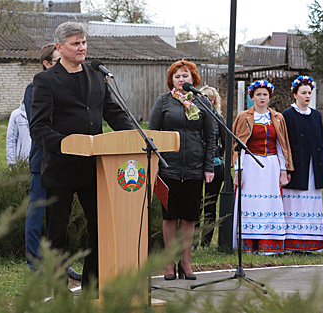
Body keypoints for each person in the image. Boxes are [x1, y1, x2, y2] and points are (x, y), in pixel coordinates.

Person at [29, 22, 134, 290]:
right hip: (60, 167)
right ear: (59, 47)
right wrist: (67, 144)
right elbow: (38, 127)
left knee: (100, 228)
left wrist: (136, 136)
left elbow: (113, 113)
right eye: (76, 43)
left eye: (84, 42)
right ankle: (57, 288)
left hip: (94, 168)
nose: (82, 48)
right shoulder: (45, 81)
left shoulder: (96, 75)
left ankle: (91, 286)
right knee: (57, 234)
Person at [149, 59, 215, 280]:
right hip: (169, 168)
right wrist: (154, 166)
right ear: (172, 80)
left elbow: (211, 137)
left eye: (185, 76)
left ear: (193, 79)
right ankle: (168, 263)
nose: (181, 80)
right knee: (170, 217)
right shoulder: (163, 102)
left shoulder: (203, 102)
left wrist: (208, 167)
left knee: (189, 217)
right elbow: (153, 135)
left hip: (195, 169)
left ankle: (185, 262)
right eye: (177, 77)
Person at [23, 43, 82, 280]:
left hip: (64, 162)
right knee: (37, 215)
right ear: (47, 63)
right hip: (43, 161)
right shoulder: (34, 87)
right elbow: (40, 124)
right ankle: (35, 264)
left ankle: (61, 263)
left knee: (59, 219)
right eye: (58, 60)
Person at [232, 80, 293, 255]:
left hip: (271, 165)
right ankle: (250, 245)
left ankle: (269, 244)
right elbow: (237, 146)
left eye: (265, 94)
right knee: (252, 203)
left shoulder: (277, 117)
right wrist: (238, 171)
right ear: (252, 97)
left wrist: (284, 170)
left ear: (269, 97)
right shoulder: (244, 117)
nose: (262, 98)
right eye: (258, 94)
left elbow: (282, 146)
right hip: (251, 165)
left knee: (269, 204)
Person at [282, 76, 323, 253]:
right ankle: (293, 243)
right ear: (295, 95)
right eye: (303, 93)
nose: (307, 96)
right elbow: (285, 143)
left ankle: (310, 243)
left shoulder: (316, 115)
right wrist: (286, 167)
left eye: (309, 92)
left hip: (313, 167)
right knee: (295, 203)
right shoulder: (287, 115)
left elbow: (322, 143)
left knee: (311, 204)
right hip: (296, 166)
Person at [197, 85, 227, 248]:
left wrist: (222, 158)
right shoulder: (193, 117)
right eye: (204, 98)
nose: (207, 101)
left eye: (210, 98)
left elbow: (226, 142)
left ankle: (205, 242)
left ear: (215, 101)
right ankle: (192, 241)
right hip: (195, 164)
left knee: (209, 204)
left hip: (214, 165)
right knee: (195, 204)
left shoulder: (219, 119)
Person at [6, 101, 31, 166]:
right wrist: (12, 164)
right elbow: (11, 140)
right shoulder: (16, 115)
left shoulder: (44, 114)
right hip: (23, 163)